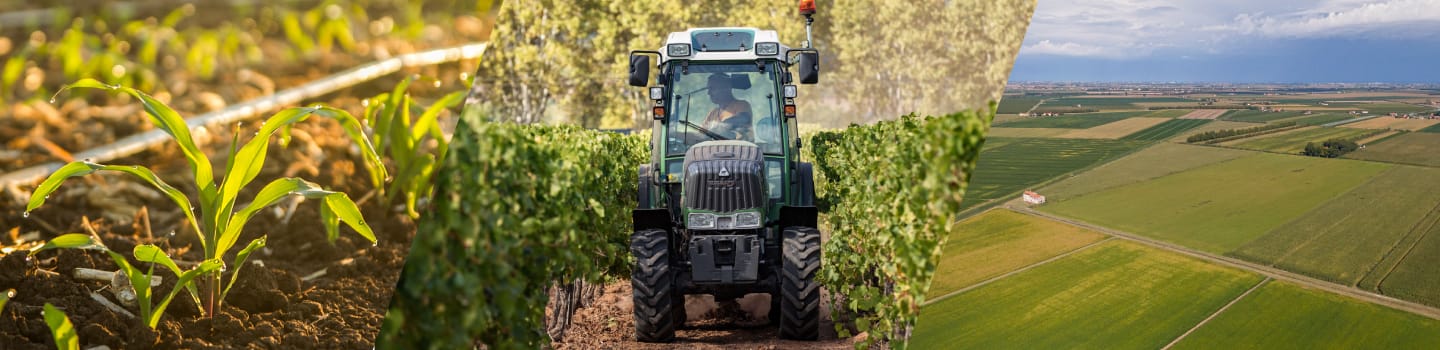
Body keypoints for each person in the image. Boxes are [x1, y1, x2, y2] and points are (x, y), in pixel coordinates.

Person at [701, 73, 753, 140]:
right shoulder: (712, 113)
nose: (708, 93)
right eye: (708, 89)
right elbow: (701, 134)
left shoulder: (742, 105)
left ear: (727, 88)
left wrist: (720, 126)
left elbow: (744, 119)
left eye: (712, 88)